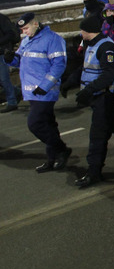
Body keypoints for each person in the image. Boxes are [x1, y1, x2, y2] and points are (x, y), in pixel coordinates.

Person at [63, 15, 114, 189]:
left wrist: (89, 89)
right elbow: (85, 68)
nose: (80, 32)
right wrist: (70, 82)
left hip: (104, 98)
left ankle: (94, 172)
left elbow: (108, 74)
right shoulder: (92, 45)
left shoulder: (106, 47)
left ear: (88, 30)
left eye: (82, 29)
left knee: (98, 136)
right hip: (97, 97)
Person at [4, 13, 71, 173]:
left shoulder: (53, 39)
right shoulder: (27, 40)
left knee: (35, 124)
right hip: (31, 91)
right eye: (22, 30)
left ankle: (62, 149)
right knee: (48, 124)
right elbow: (21, 62)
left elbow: (59, 65)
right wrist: (10, 59)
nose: (24, 32)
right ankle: (52, 158)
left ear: (35, 24)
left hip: (45, 92)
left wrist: (45, 85)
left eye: (26, 28)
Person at [0, 12, 21, 112]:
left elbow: (10, 34)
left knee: (4, 78)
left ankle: (12, 102)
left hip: (2, 52)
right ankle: (17, 92)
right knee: (2, 79)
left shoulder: (1, 18)